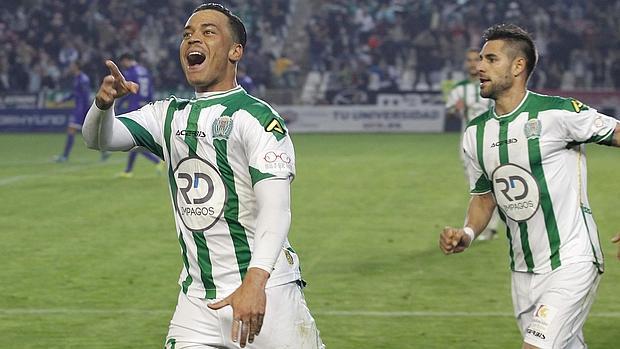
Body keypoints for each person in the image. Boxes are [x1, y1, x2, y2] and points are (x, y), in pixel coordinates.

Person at [82, 3, 324, 349]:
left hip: (265, 293)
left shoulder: (256, 119)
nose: (193, 38)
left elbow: (277, 208)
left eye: (208, 32)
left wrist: (255, 282)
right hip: (197, 300)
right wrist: (103, 105)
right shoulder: (168, 115)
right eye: (187, 34)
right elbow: (99, 138)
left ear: (235, 51)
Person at [439, 24, 619, 349]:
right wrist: (467, 233)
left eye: (491, 59)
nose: (479, 67)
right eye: (480, 59)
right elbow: (484, 196)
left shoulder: (558, 113)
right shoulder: (475, 133)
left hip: (571, 260)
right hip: (523, 271)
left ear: (518, 66)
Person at [445, 48, 499, 240]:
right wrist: (455, 109)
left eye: (475, 60)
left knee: (494, 181)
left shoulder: (493, 83)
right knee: (476, 183)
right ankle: (486, 226)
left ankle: (488, 227)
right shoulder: (459, 88)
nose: (471, 64)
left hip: (493, 138)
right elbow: (450, 113)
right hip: (467, 140)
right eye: (468, 60)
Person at [115, 53, 163, 178]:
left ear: (126, 60)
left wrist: (119, 104)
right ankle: (129, 171)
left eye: (123, 63)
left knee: (134, 141)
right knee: (136, 141)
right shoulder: (144, 71)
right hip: (145, 105)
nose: (123, 66)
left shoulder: (131, 72)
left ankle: (156, 161)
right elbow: (151, 88)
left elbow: (128, 90)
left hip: (135, 106)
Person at [54, 61, 108, 162]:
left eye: (71, 66)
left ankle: (65, 156)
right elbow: (74, 94)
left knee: (72, 130)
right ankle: (105, 151)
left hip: (81, 109)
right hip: (80, 108)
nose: (70, 67)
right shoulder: (77, 78)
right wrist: (62, 101)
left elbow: (85, 96)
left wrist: (85, 111)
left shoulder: (83, 79)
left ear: (77, 67)